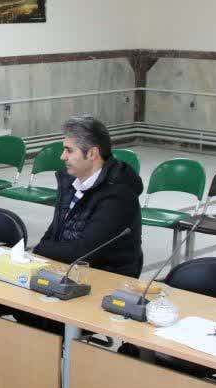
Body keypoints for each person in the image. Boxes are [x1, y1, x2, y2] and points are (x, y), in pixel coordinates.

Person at [35, 115, 142, 277]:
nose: (62, 156)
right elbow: (53, 234)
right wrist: (43, 249)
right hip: (69, 270)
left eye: (69, 150)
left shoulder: (118, 194)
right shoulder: (72, 181)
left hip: (107, 278)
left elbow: (85, 252)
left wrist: (41, 249)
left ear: (92, 153)